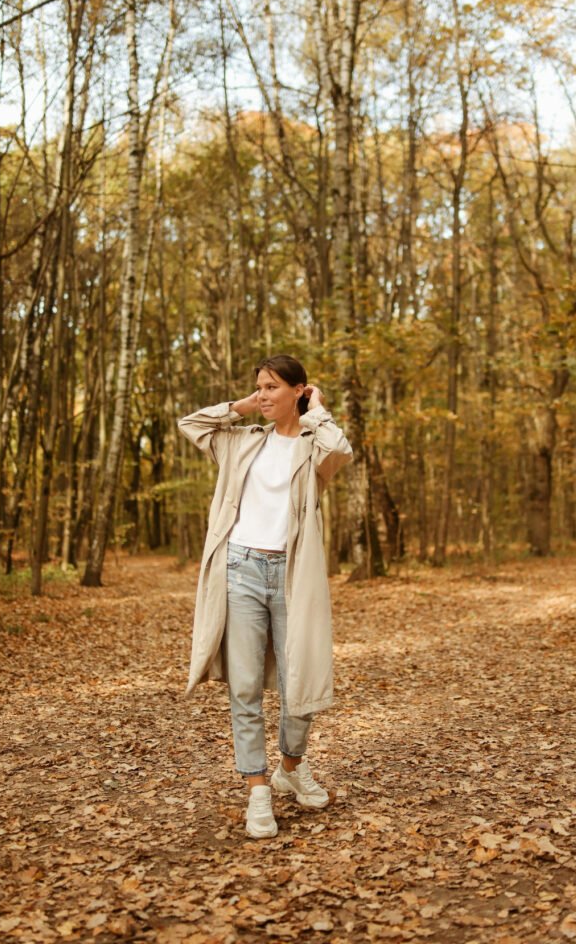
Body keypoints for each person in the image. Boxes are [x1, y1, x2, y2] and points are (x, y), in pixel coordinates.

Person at [178, 354, 353, 839]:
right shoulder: (241, 441)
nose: (263, 396)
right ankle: (258, 790)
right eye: (258, 387)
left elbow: (341, 449)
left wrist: (316, 408)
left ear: (298, 390)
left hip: (293, 574)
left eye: (272, 387)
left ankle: (290, 769)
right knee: (246, 687)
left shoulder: (314, 445)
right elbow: (191, 424)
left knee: (301, 682)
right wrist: (240, 405)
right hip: (241, 570)